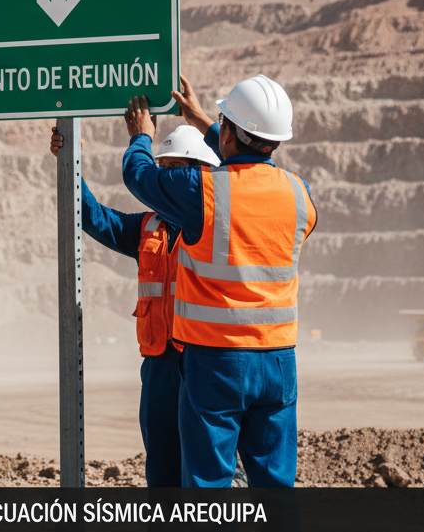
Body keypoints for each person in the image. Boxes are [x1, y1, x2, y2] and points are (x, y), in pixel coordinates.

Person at [122, 74, 317, 489]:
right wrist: (203, 120)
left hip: (218, 361)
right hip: (279, 360)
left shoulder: (203, 192)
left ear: (228, 132)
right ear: (275, 140)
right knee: (276, 490)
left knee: (208, 486)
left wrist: (141, 137)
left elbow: (138, 176)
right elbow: (244, 158)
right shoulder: (299, 195)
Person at [49, 123, 219, 487]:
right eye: (164, 169)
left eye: (177, 169)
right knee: (162, 466)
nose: (166, 179)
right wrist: (70, 163)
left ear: (204, 174)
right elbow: (92, 217)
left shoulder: (221, 225)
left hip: (206, 363)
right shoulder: (146, 228)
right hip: (159, 367)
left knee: (207, 468)